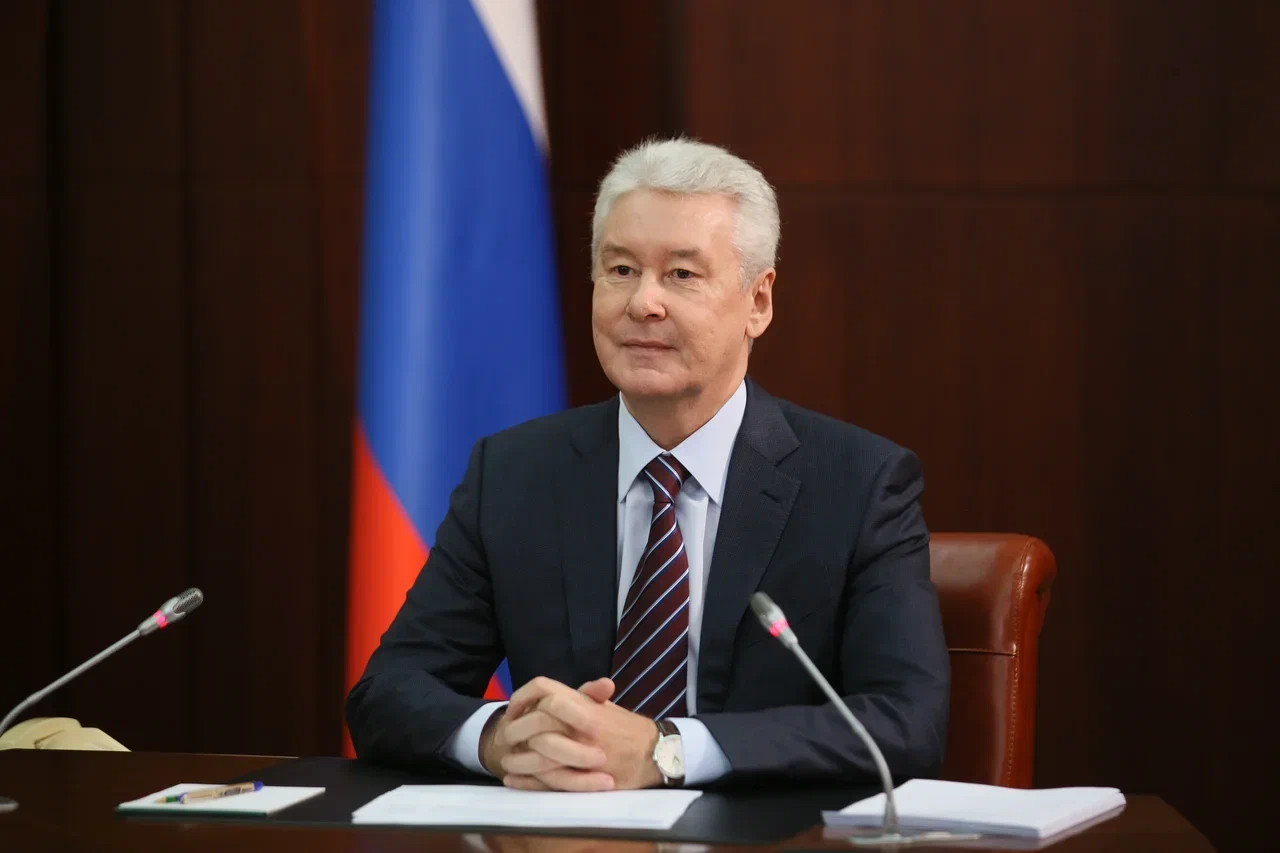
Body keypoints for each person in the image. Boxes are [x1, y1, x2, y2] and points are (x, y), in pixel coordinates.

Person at [346, 138, 950, 791]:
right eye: (621, 269)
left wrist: (667, 750)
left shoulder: (858, 483)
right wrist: (500, 739)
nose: (643, 303)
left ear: (758, 302)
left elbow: (905, 723)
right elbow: (387, 692)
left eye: (682, 274)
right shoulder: (515, 473)